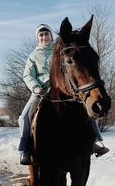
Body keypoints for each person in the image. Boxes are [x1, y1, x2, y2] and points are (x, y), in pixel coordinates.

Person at [18, 23, 109, 165]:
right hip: (41, 91)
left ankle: (94, 143)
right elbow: (28, 75)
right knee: (24, 117)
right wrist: (36, 89)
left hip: (63, 88)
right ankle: (26, 149)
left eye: (46, 34)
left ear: (51, 36)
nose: (44, 37)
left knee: (87, 110)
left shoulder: (59, 50)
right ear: (38, 37)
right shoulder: (33, 56)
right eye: (41, 35)